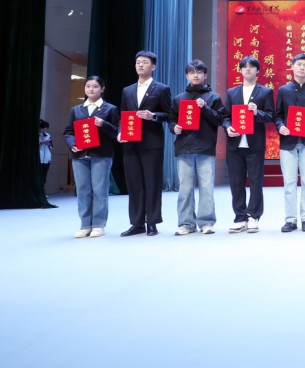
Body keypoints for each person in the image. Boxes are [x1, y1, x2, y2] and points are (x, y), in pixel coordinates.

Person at [169, 60, 226, 236]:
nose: (196, 75)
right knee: (185, 189)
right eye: (192, 72)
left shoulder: (213, 98)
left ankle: (206, 222)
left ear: (205, 75)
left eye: (199, 72)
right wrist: (174, 127)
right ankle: (186, 223)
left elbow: (220, 120)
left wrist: (205, 108)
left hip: (205, 148)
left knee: (206, 188)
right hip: (184, 147)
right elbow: (171, 120)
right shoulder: (179, 98)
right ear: (187, 76)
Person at [118, 51, 172, 237]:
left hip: (152, 143)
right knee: (134, 184)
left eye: (145, 62)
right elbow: (122, 116)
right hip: (130, 143)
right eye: (138, 62)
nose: (140, 65)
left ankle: (152, 222)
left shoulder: (161, 88)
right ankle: (137, 223)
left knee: (152, 183)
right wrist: (120, 132)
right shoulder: (127, 90)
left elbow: (169, 114)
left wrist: (153, 116)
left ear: (153, 67)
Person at [63, 76, 120, 238]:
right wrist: (72, 144)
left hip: (101, 155)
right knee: (83, 190)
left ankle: (98, 225)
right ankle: (85, 225)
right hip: (79, 155)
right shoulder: (76, 110)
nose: (91, 89)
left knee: (100, 190)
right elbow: (68, 132)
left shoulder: (110, 109)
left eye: (95, 86)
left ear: (102, 88)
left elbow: (116, 132)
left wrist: (103, 124)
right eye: (88, 86)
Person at [224, 56, 275, 234]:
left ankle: (253, 216)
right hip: (235, 144)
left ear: (257, 70)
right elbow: (226, 116)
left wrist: (257, 112)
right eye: (244, 66)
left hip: (255, 145)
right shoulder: (232, 92)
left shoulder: (265, 92)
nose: (248, 69)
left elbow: (271, 116)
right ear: (240, 70)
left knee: (255, 183)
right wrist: (228, 128)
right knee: (236, 183)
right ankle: (239, 218)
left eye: (251, 66)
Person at [274, 54, 305, 232]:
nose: (302, 68)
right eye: (299, 64)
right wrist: (280, 126)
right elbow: (278, 115)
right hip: (288, 142)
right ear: (292, 66)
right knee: (289, 183)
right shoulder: (283, 90)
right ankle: (290, 220)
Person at [39, 120, 53, 194]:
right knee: (38, 175)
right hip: (39, 158)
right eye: (42, 128)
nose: (44, 130)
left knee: (44, 174)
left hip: (47, 158)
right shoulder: (36, 135)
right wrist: (41, 143)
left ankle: (42, 192)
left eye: (45, 129)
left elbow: (52, 146)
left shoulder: (48, 135)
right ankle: (38, 192)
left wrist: (49, 144)